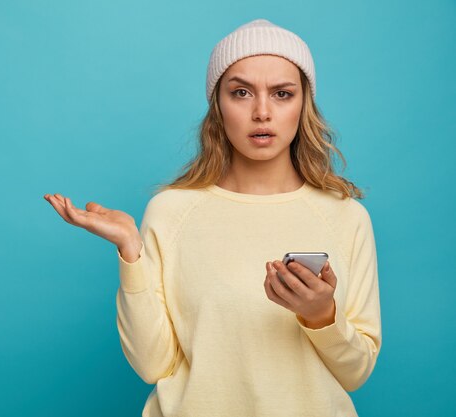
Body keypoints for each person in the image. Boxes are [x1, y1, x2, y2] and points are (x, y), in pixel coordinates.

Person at [44, 18, 381, 417]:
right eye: (241, 92)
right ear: (217, 106)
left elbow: (356, 373)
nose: (261, 112)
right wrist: (130, 251)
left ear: (303, 105)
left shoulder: (346, 216)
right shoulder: (171, 211)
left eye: (282, 94)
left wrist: (320, 316)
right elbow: (153, 365)